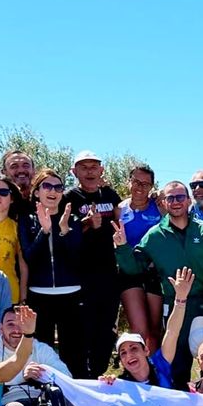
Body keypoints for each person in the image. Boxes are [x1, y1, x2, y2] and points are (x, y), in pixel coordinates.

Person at [114, 181, 203, 387]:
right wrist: (122, 247)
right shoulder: (155, 235)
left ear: (189, 200)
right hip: (175, 308)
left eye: (180, 197)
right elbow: (135, 267)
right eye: (170, 198)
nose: (176, 202)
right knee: (177, 368)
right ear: (164, 203)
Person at [19, 168, 87, 378]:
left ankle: (77, 395)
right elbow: (30, 257)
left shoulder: (72, 218)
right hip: (39, 296)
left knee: (75, 354)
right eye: (47, 186)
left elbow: (77, 260)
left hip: (72, 294)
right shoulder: (26, 219)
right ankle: (42, 395)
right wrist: (45, 230)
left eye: (58, 187)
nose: (53, 191)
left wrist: (64, 231)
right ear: (36, 192)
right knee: (41, 352)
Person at [65, 150, 122, 377]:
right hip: (81, 276)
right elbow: (63, 233)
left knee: (106, 329)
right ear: (74, 172)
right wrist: (86, 224)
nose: (89, 172)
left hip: (109, 274)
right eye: (84, 167)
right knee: (82, 330)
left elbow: (121, 219)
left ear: (101, 170)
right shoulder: (69, 197)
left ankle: (99, 375)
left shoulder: (110, 194)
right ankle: (81, 378)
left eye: (94, 167)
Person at [101, 267, 195, 389]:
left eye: (134, 348)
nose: (129, 355)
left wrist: (180, 299)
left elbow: (172, 332)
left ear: (146, 351)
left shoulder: (160, 366)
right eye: (123, 353)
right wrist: (105, 385)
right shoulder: (120, 384)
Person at [117, 164, 165, 350]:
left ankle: (154, 366)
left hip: (155, 273)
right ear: (128, 182)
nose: (140, 187)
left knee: (155, 332)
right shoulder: (119, 209)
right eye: (136, 181)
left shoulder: (159, 207)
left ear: (152, 186)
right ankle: (138, 365)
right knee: (139, 332)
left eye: (146, 184)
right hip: (129, 273)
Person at [2, 150, 36, 214]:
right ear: (4, 172)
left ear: (33, 170)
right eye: (14, 166)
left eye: (26, 166)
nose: (21, 170)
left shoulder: (45, 201)